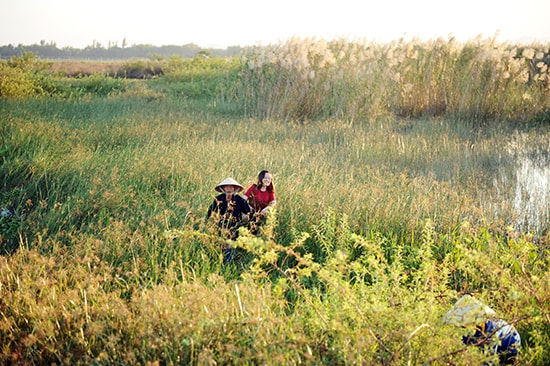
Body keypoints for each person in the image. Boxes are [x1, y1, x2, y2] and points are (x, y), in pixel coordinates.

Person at [443, 295, 521, 365]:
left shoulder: (493, 329)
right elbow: (461, 348)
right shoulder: (467, 331)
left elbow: (489, 360)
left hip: (509, 347)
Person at [206, 177, 251, 263]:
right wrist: (207, 222)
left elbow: (248, 213)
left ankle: (227, 264)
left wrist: (246, 219)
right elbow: (210, 211)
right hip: (220, 227)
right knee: (218, 245)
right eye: (227, 187)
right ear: (223, 188)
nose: (229, 189)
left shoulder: (240, 200)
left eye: (231, 187)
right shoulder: (219, 199)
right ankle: (216, 261)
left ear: (235, 189)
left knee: (229, 247)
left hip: (234, 228)